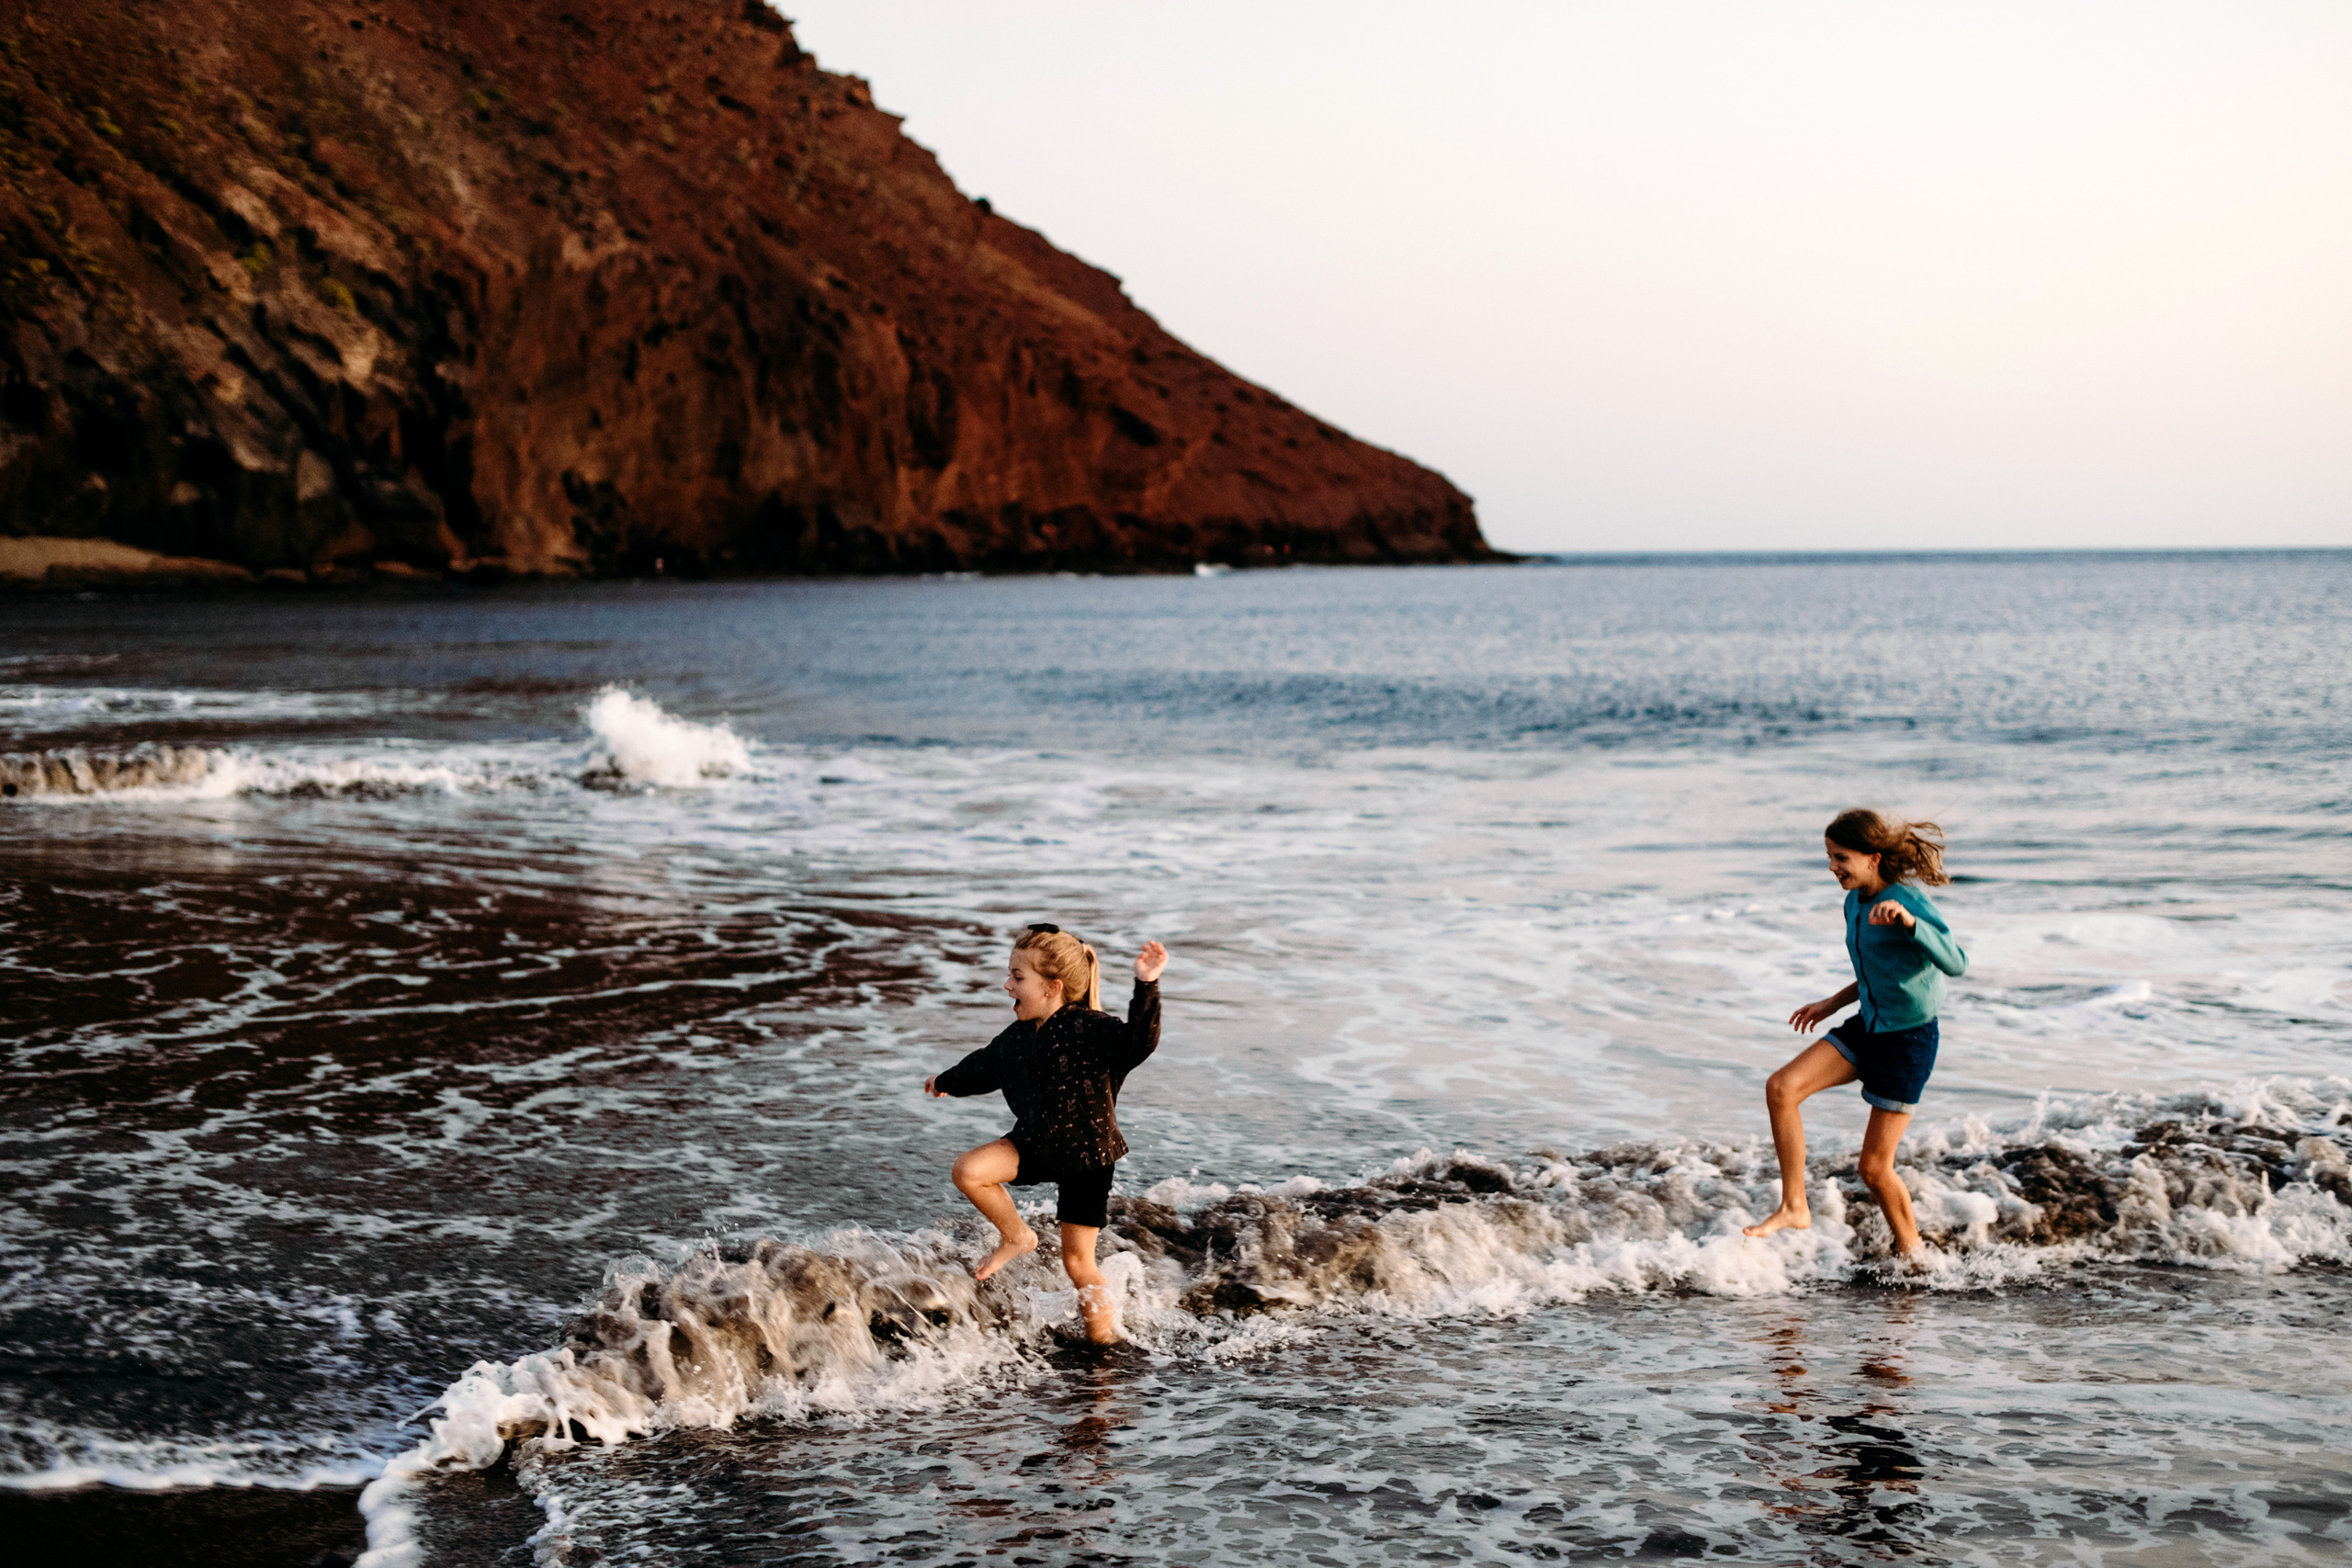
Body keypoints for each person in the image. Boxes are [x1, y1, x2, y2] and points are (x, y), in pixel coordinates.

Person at [925, 923, 1169, 1343]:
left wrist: (1146, 985)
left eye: (1018, 978)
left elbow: (1138, 1043)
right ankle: (1017, 1236)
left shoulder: (1090, 1029)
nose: (1007, 985)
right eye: (1010, 975)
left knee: (1078, 1264)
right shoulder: (1018, 1037)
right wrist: (947, 1080)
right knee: (969, 1171)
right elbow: (984, 1065)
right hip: (1035, 1143)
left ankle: (1103, 1348)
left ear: (1053, 987)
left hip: (1088, 1158)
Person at [1743, 809, 1967, 1260]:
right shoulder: (1854, 902)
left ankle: (1914, 1257)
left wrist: (1909, 923)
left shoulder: (1906, 900)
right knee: (1782, 1089)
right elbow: (1876, 973)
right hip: (1867, 1026)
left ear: (1874, 857)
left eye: (1841, 857)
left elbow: (1956, 962)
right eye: (1829, 857)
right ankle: (1793, 1207)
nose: (1832, 868)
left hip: (1908, 1041)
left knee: (1874, 1168)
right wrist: (1832, 1003)